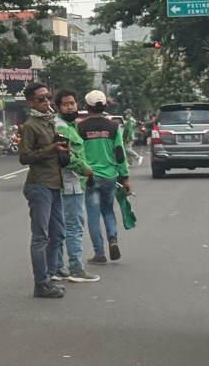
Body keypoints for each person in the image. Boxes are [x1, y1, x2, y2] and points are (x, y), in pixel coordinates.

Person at [18, 82, 68, 299]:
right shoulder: (31, 126)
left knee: (58, 234)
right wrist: (51, 148)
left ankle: (49, 277)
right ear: (30, 102)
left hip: (55, 183)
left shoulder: (50, 123)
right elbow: (24, 157)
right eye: (41, 99)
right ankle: (41, 284)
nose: (46, 102)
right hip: (39, 185)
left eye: (48, 97)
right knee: (41, 237)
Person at [50, 90, 100, 283]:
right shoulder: (61, 127)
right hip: (69, 184)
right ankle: (76, 269)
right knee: (73, 227)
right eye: (65, 104)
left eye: (72, 103)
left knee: (61, 227)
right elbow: (66, 157)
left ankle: (58, 268)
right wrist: (86, 169)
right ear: (58, 107)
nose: (70, 106)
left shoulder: (70, 126)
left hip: (68, 183)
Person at [79, 90, 131, 264]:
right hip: (110, 176)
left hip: (90, 177)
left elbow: (77, 154)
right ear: (104, 106)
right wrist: (124, 177)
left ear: (87, 107)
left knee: (93, 215)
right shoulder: (113, 127)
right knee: (108, 210)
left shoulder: (80, 128)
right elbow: (120, 153)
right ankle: (113, 239)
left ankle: (99, 253)